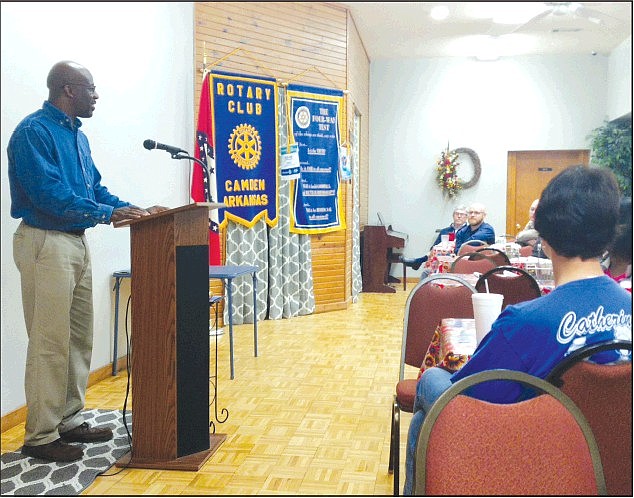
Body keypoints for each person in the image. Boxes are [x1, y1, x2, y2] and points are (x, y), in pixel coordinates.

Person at [403, 165, 632, 494]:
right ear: (609, 233)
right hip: (618, 467)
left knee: (432, 385)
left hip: (537, 458)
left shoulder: (525, 322)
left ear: (545, 237)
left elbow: (465, 399)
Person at [8, 61, 168, 463]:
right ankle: (41, 436)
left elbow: (94, 188)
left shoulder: (78, 137)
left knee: (78, 338)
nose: (97, 96)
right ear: (68, 90)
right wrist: (105, 213)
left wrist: (128, 208)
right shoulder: (33, 132)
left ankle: (69, 419)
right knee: (49, 343)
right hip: (46, 242)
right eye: (91, 89)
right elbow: (48, 195)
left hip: (76, 243)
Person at [401, 205, 467, 270]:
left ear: (466, 217)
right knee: (427, 272)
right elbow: (434, 246)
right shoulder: (445, 231)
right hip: (439, 259)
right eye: (457, 214)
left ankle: (418, 261)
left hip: (456, 258)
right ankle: (419, 262)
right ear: (453, 216)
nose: (459, 216)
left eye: (462, 214)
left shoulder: (467, 231)